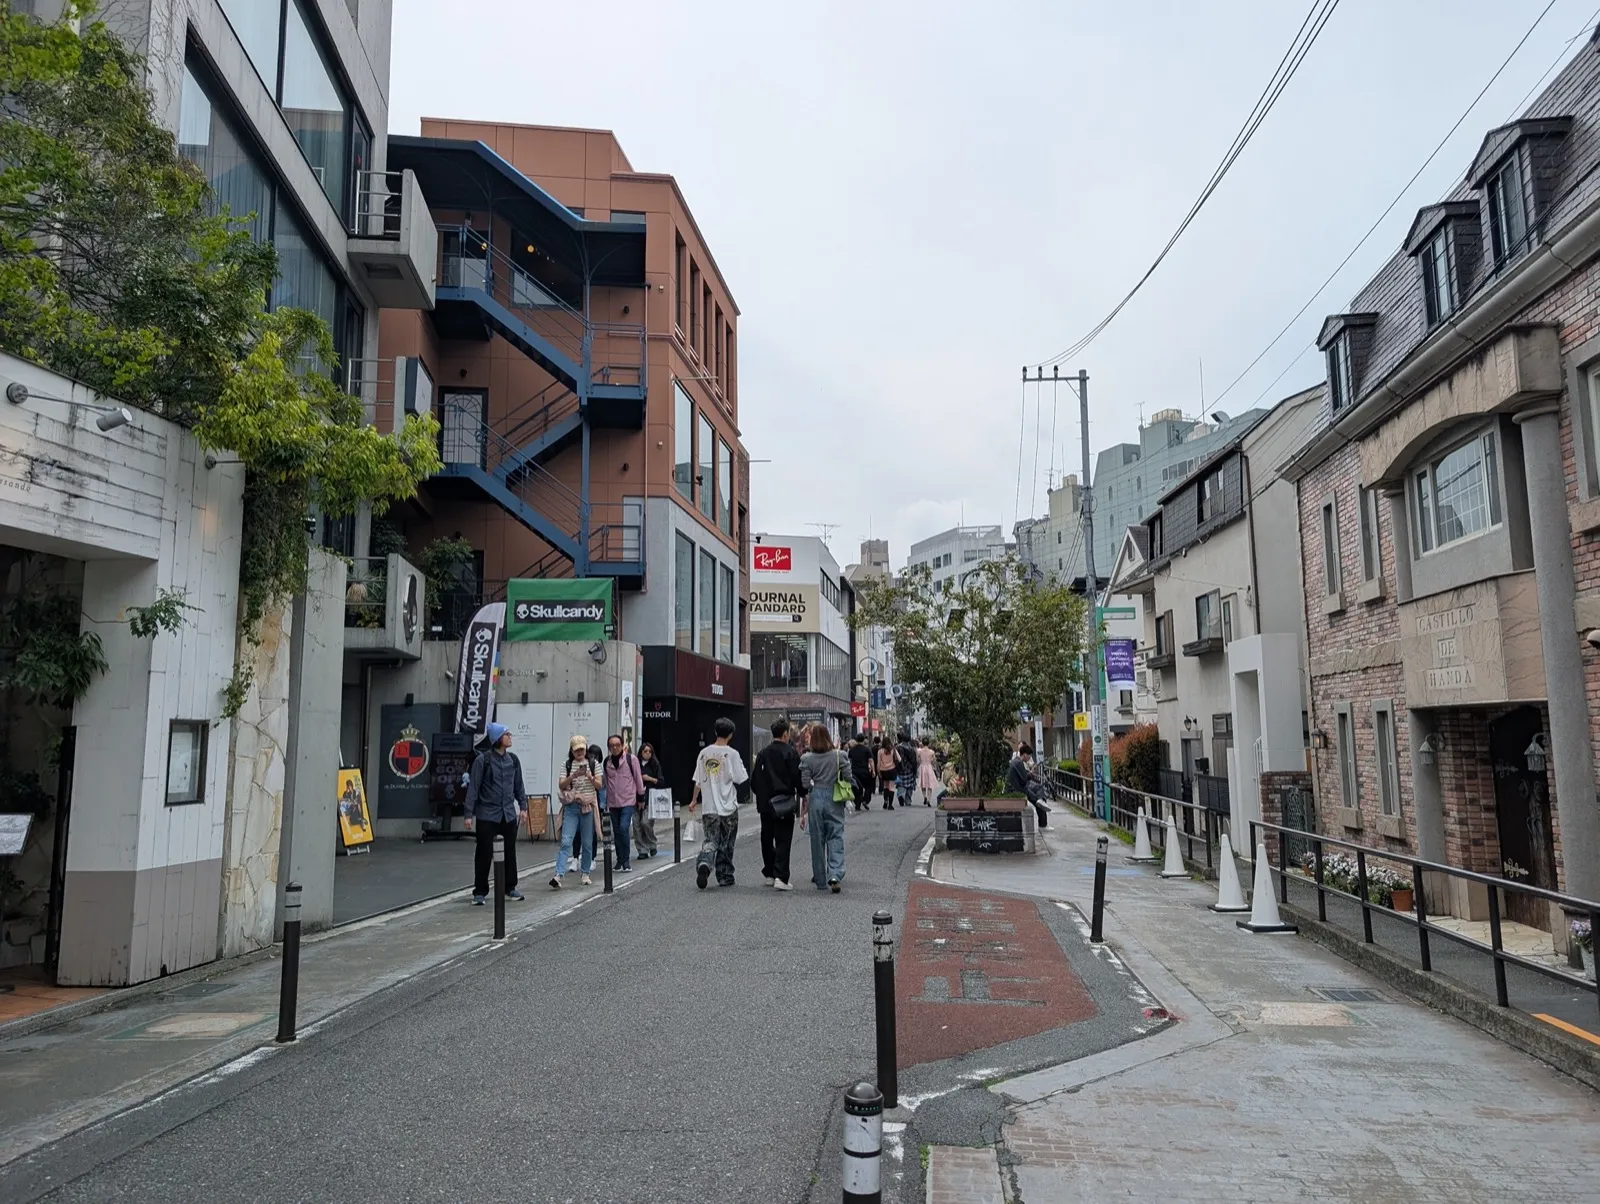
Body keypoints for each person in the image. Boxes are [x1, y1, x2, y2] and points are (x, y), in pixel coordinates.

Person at [464, 722, 529, 905]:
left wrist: (523, 807)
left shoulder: (513, 760)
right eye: (506, 734)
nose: (510, 737)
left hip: (508, 814)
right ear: (497, 738)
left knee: (510, 852)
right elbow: (473, 788)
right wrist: (468, 814)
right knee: (484, 853)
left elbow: (519, 786)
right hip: (487, 814)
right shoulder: (482, 760)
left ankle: (510, 887)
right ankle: (480, 891)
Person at [690, 717, 749, 889]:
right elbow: (740, 778)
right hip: (728, 806)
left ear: (715, 732)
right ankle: (724, 875)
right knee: (726, 843)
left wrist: (694, 800)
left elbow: (698, 780)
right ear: (730, 734)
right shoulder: (732, 754)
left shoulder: (704, 753)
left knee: (710, 840)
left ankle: (705, 863)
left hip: (709, 807)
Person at [751, 717, 802, 889]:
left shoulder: (763, 754)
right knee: (783, 839)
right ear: (786, 733)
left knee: (766, 837)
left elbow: (755, 780)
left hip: (765, 803)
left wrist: (761, 795)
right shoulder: (790, 753)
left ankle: (770, 873)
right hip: (784, 802)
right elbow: (797, 778)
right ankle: (781, 876)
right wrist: (802, 794)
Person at [800, 725, 849, 892]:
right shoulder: (839, 755)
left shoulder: (807, 758)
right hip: (834, 797)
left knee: (817, 839)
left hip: (816, 798)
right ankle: (835, 874)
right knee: (836, 836)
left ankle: (820, 879)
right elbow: (848, 776)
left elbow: (805, 783)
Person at [551, 736, 604, 888]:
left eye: (582, 748)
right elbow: (561, 785)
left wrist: (589, 776)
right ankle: (558, 875)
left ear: (586, 748)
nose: (580, 752)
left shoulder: (594, 764)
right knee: (566, 841)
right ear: (572, 751)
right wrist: (573, 776)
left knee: (587, 843)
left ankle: (585, 873)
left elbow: (599, 785)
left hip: (587, 807)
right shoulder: (566, 765)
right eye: (577, 749)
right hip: (572, 807)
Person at [605, 734, 645, 873]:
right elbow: (606, 782)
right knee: (616, 831)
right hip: (613, 802)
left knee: (623, 828)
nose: (614, 747)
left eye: (617, 745)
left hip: (628, 800)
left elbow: (638, 779)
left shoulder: (631, 759)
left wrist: (641, 798)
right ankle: (619, 860)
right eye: (611, 745)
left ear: (622, 745)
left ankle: (626, 860)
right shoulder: (607, 762)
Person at [1005, 744, 1051, 829]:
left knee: (1038, 794)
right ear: (1025, 754)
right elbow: (1024, 778)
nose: (1030, 758)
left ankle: (1041, 800)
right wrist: (1031, 773)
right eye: (1029, 756)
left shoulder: (1016, 761)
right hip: (1018, 789)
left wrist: (1030, 773)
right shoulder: (1018, 763)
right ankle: (1043, 823)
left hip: (1019, 787)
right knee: (1038, 801)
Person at [634, 742, 664, 859]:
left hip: (650, 797)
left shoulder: (655, 764)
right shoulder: (636, 764)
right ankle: (642, 849)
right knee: (636, 825)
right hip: (635, 797)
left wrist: (649, 779)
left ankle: (652, 844)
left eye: (649, 751)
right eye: (645, 751)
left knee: (645, 822)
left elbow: (661, 781)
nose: (647, 754)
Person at [847, 736, 875, 813]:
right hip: (864, 771)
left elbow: (849, 761)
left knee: (857, 788)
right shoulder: (866, 749)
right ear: (864, 740)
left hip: (854, 771)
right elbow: (871, 761)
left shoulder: (852, 750)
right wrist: (873, 771)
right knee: (868, 787)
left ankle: (858, 804)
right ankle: (865, 799)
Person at [895, 730, 918, 809]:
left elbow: (895, 759)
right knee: (909, 785)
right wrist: (915, 770)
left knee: (901, 784)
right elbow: (914, 761)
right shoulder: (912, 749)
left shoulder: (898, 747)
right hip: (910, 769)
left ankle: (901, 795)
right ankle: (908, 800)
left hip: (901, 769)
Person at [875, 737, 899, 810]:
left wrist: (878, 772)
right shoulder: (893, 750)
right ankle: (890, 805)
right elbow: (899, 759)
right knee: (891, 787)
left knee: (885, 786)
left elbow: (878, 763)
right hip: (892, 769)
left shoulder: (880, 751)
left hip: (883, 770)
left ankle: (885, 801)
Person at [915, 737, 940, 807]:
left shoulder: (919, 751)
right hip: (929, 767)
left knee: (923, 783)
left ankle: (924, 797)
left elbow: (917, 760)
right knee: (929, 785)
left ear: (922, 743)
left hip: (922, 767)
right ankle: (929, 799)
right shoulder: (931, 752)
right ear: (928, 743)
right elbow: (934, 761)